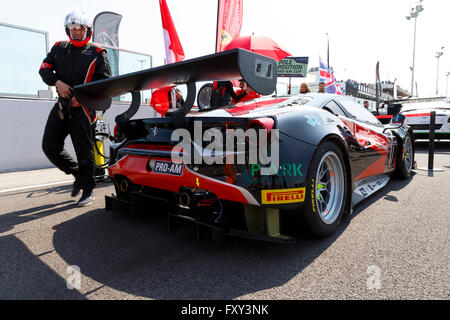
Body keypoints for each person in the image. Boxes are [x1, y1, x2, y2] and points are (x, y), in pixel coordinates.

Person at [39, 10, 112, 207]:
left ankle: (88, 190)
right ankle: (78, 174)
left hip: (84, 110)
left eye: (80, 28)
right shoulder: (58, 47)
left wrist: (83, 99)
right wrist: (57, 83)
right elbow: (44, 69)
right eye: (72, 28)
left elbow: (105, 85)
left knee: (84, 152)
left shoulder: (98, 53)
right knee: (49, 146)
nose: (76, 32)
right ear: (67, 30)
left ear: (87, 30)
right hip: (62, 106)